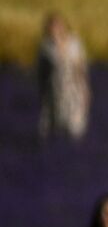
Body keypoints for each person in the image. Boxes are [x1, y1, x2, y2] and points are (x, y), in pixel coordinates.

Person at [37, 12, 91, 140]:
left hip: (73, 90)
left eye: (58, 25)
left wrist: (85, 89)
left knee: (75, 126)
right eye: (52, 26)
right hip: (54, 90)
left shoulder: (74, 43)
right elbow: (41, 72)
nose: (56, 29)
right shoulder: (46, 47)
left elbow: (80, 68)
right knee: (51, 126)